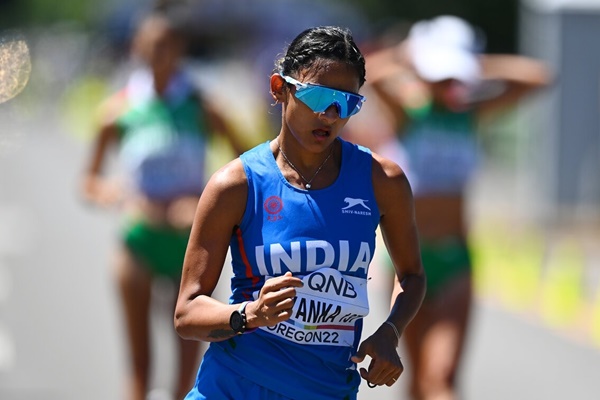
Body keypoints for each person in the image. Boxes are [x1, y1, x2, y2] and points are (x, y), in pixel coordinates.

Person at [174, 26, 426, 400]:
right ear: (279, 88)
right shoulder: (236, 184)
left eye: (346, 103)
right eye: (318, 96)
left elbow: (412, 275)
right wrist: (250, 314)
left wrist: (391, 330)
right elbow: (186, 313)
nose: (330, 114)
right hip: (233, 385)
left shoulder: (382, 180)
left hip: (326, 390)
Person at [351, 15, 551, 400]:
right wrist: (408, 54)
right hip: (408, 262)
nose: (447, 83)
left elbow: (538, 77)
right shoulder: (408, 112)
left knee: (442, 377)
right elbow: (367, 74)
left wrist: (475, 64)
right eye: (439, 74)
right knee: (416, 380)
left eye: (452, 75)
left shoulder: (470, 114)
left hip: (455, 259)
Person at [80, 10, 245, 400]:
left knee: (187, 367)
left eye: (167, 45)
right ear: (137, 48)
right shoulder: (119, 109)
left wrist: (204, 203)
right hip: (139, 238)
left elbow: (247, 164)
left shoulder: (202, 105)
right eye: (151, 45)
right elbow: (89, 182)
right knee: (139, 366)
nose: (159, 53)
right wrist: (120, 196)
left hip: (190, 242)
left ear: (180, 48)